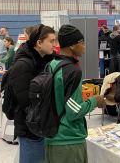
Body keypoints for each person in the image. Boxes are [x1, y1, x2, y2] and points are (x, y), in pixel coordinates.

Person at [45, 25, 106, 163]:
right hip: (68, 141)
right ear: (72, 45)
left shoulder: (53, 64)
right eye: (82, 42)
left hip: (52, 136)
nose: (84, 46)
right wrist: (95, 100)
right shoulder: (72, 71)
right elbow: (74, 111)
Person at [11, 24, 56, 163]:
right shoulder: (23, 65)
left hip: (42, 124)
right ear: (39, 43)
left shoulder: (45, 60)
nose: (54, 45)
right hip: (31, 127)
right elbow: (26, 102)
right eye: (51, 41)